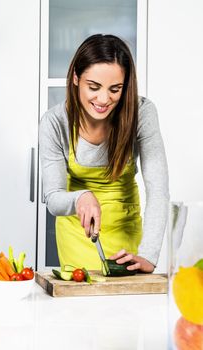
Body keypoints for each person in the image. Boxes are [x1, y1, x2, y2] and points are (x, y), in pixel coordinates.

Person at [39, 34, 169, 273]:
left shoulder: (142, 113)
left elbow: (158, 191)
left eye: (115, 89)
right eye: (94, 87)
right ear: (77, 78)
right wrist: (81, 197)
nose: (103, 99)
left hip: (126, 234)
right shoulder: (55, 122)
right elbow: (54, 198)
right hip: (78, 235)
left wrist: (149, 254)